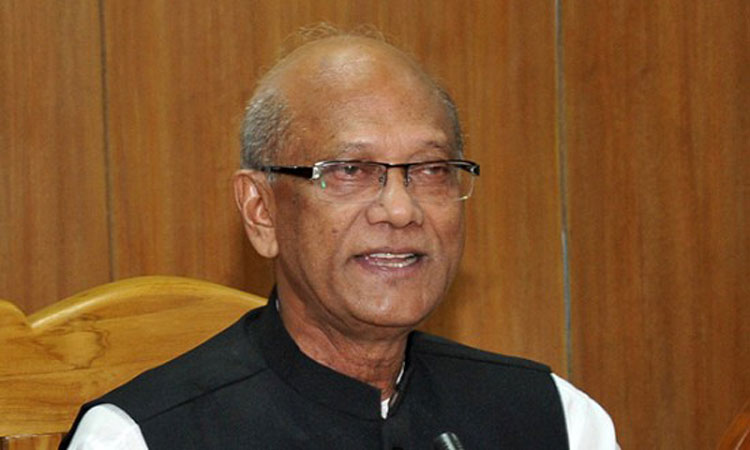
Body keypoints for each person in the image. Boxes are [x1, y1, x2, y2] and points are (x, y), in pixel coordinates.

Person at [61, 30, 618, 449]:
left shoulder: (555, 419)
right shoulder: (141, 438)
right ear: (261, 211)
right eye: (350, 170)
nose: (400, 209)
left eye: (430, 170)